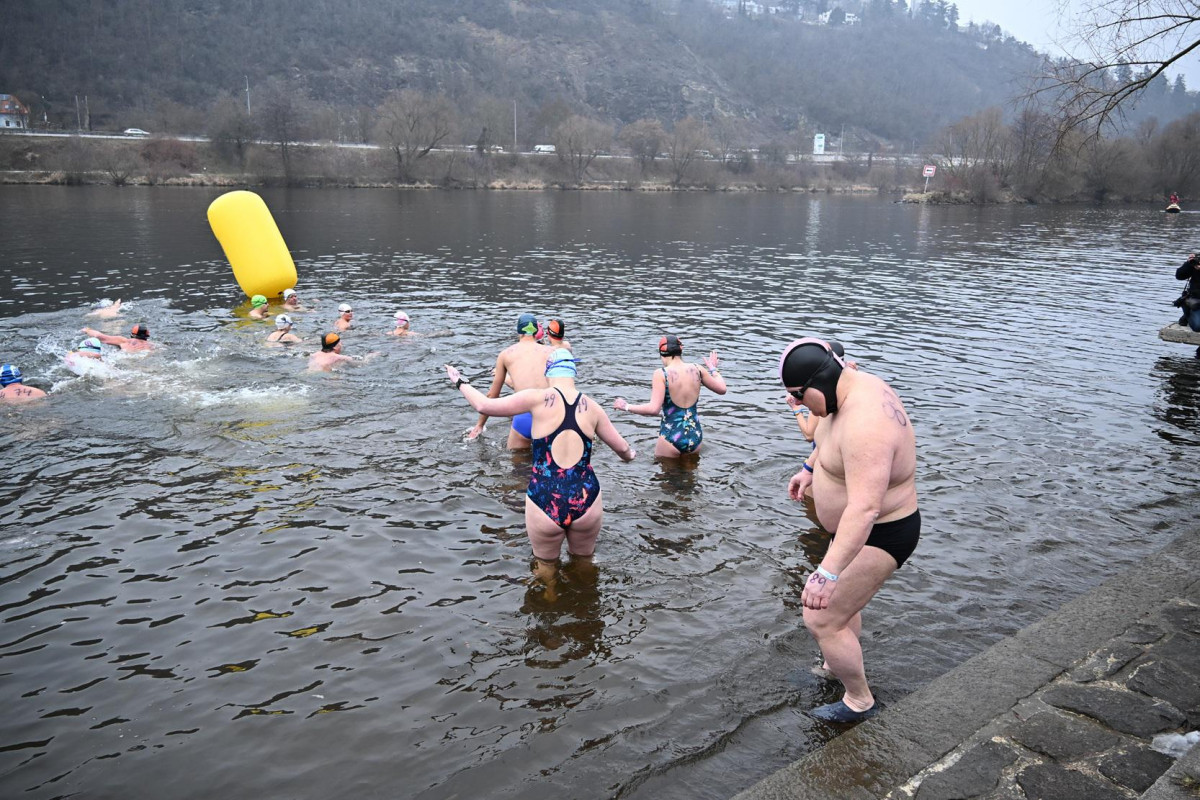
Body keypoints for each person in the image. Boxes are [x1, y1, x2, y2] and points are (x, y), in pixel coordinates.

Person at [780, 337, 919, 723]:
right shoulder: (846, 388)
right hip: (857, 527)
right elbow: (828, 438)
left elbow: (865, 507)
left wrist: (827, 573)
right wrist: (809, 470)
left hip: (882, 531)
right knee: (841, 611)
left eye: (800, 399)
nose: (801, 407)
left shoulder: (866, 421)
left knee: (821, 615)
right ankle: (834, 667)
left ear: (814, 385)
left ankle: (859, 701)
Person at [444, 349, 635, 588]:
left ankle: (550, 601)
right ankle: (585, 606)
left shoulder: (536, 398)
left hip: (545, 497)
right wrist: (633, 454)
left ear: (548, 372)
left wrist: (459, 381)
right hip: (585, 498)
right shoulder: (593, 407)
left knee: (545, 567)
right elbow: (625, 453)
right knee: (585, 562)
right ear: (573, 371)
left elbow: (484, 405)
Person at [613, 334, 727, 457]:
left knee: (664, 475)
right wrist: (714, 369)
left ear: (662, 354)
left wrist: (626, 406)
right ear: (680, 351)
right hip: (695, 435)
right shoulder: (697, 369)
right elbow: (722, 389)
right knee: (691, 475)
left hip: (671, 436)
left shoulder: (661, 374)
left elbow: (653, 409)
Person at [467, 313, 555, 448]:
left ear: (519, 331)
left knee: (518, 465)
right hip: (550, 413)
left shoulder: (505, 354)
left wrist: (480, 425)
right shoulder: (552, 352)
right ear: (536, 331)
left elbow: (493, 395)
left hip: (524, 415)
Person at [81, 324, 155, 353]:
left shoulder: (125, 341)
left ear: (132, 334)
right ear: (147, 337)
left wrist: (87, 330)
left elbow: (98, 336)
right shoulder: (152, 345)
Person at [1174, 253, 1200, 331]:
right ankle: (1187, 313)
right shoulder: (1197, 260)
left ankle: (1186, 316)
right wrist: (1188, 264)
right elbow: (1179, 276)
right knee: (1198, 326)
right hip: (1196, 301)